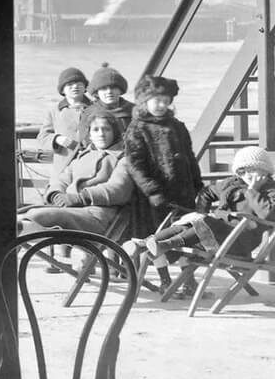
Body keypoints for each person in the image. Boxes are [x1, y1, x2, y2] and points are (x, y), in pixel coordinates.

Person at [130, 145, 275, 293]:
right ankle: (149, 243)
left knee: (206, 222)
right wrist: (201, 213)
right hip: (218, 235)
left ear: (265, 170)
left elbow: (268, 215)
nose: (247, 175)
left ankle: (165, 244)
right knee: (188, 224)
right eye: (242, 171)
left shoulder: (270, 191)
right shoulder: (232, 184)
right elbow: (207, 193)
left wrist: (253, 190)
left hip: (240, 242)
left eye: (252, 170)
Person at [17, 108, 129, 237]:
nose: (101, 134)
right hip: (69, 209)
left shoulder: (122, 158)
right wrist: (56, 194)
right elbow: (62, 179)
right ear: (90, 135)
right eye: (96, 130)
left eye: (106, 129)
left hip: (97, 214)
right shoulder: (82, 156)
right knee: (19, 216)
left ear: (114, 133)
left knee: (37, 216)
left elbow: (119, 189)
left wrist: (80, 197)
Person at [121, 73, 202, 232]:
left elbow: (190, 158)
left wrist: (197, 184)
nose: (162, 105)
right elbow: (135, 165)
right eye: (157, 101)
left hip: (183, 192)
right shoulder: (138, 128)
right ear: (145, 102)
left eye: (166, 101)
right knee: (157, 232)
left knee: (185, 227)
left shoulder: (178, 126)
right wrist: (152, 191)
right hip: (154, 196)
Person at [36, 66, 91, 174]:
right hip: (63, 165)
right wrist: (57, 139)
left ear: (85, 87)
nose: (75, 86)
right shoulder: (54, 111)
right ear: (62, 90)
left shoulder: (96, 108)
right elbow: (42, 137)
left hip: (90, 164)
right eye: (70, 84)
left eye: (79, 83)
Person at [87, 63, 134, 132]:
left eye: (113, 87)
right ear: (97, 93)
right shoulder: (89, 113)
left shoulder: (134, 111)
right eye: (104, 88)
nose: (109, 91)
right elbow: (85, 140)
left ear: (120, 90)